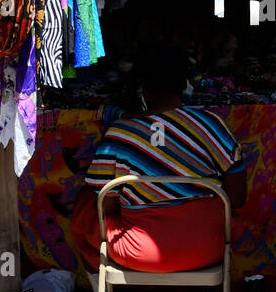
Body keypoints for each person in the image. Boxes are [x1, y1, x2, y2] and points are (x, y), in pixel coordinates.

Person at [72, 48, 247, 274]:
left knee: (86, 204)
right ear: (184, 85)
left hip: (139, 254)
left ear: (142, 87)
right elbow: (238, 198)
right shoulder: (211, 125)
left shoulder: (121, 134)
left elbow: (106, 207)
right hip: (207, 248)